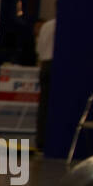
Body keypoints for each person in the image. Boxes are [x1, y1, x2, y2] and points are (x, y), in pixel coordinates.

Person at [35, 16, 56, 151]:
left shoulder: (46, 25)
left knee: (43, 105)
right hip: (55, 65)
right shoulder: (63, 25)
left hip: (44, 65)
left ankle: (41, 140)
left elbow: (38, 49)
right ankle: (51, 140)